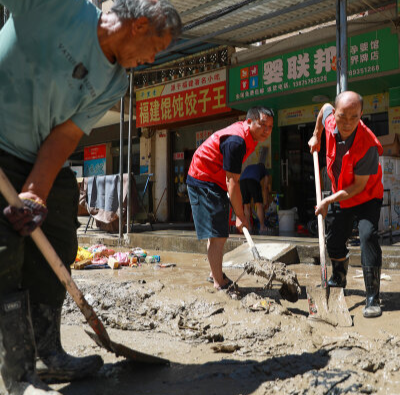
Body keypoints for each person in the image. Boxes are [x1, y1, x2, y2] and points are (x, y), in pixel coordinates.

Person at [0, 0, 181, 393]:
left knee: (59, 240)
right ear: (138, 26)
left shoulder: (115, 81)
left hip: (35, 154)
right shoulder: (57, 7)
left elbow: (66, 134)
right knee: (5, 256)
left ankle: (49, 351)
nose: (152, 58)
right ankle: (18, 376)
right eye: (156, 46)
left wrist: (36, 191)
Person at [308, 91, 384, 318]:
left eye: (354, 117)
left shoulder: (368, 144)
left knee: (367, 234)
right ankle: (338, 277)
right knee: (334, 238)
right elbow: (323, 108)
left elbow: (358, 187)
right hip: (340, 191)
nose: (348, 122)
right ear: (337, 112)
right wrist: (316, 136)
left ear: (362, 114)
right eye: (343, 116)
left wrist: (328, 200)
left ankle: (372, 297)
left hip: (366, 194)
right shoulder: (331, 118)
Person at [187, 107, 274, 291]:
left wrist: (239, 213)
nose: (267, 130)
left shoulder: (249, 136)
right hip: (203, 177)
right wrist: (241, 216)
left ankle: (214, 273)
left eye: (270, 127)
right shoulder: (237, 141)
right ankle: (219, 283)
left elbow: (232, 179)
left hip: (216, 178)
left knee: (218, 232)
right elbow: (232, 181)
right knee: (218, 235)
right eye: (263, 124)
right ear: (249, 122)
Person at [240, 162, 271, 234]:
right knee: (258, 204)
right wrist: (266, 201)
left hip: (242, 181)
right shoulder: (264, 170)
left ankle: (249, 227)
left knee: (246, 205)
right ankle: (262, 227)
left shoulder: (250, 166)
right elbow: (265, 187)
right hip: (253, 181)